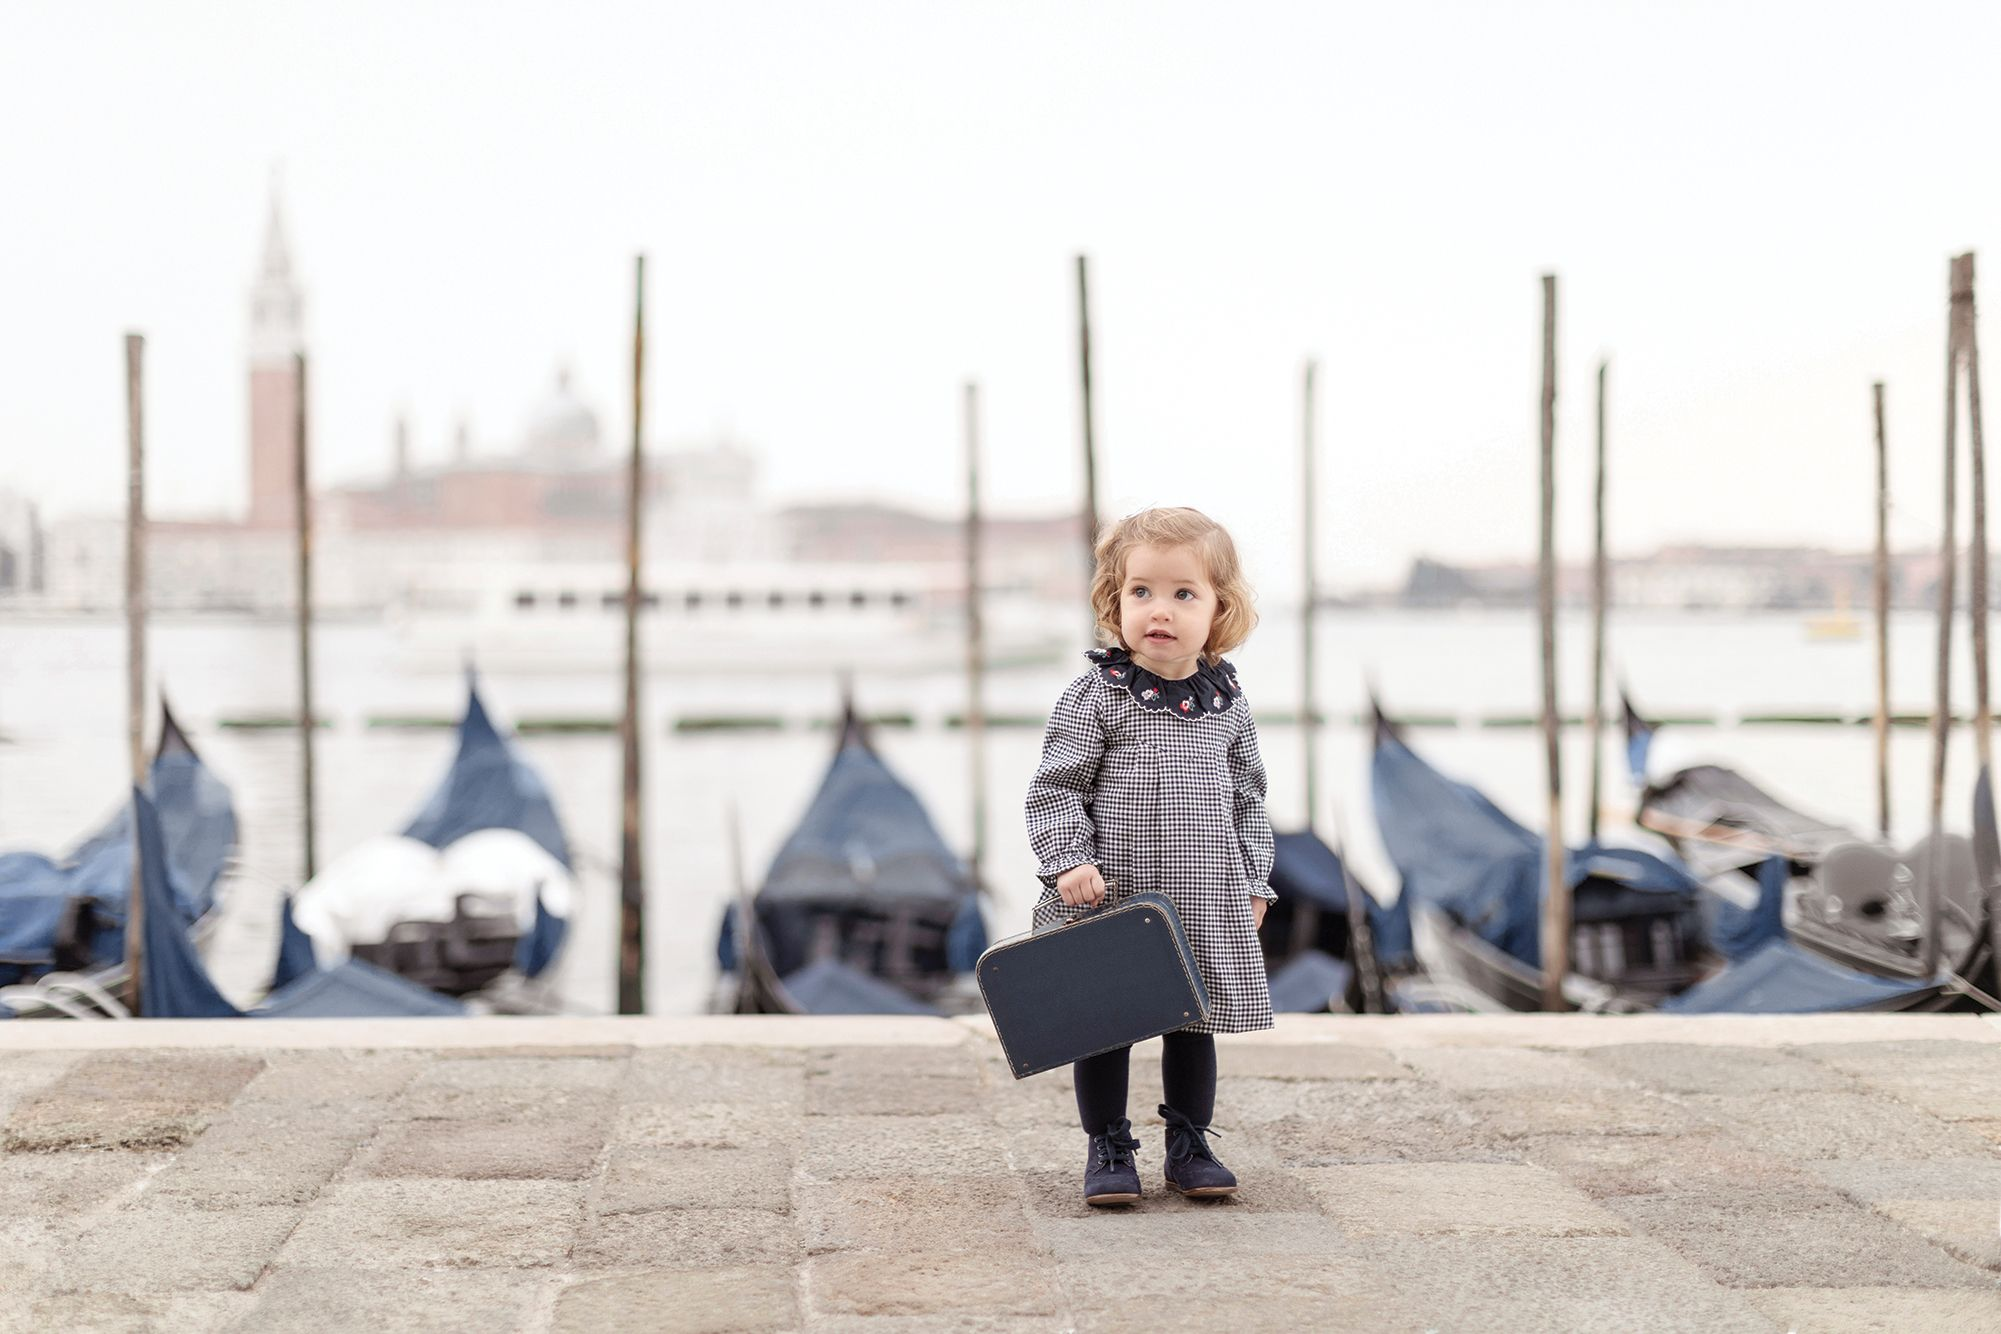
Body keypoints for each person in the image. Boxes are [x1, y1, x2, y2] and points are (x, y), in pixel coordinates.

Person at [1025, 506, 1276, 1206]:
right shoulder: (1097, 696)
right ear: (1116, 601)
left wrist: (1255, 880)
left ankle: (1189, 1143)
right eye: (1141, 591)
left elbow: (1248, 799)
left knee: (1192, 1024)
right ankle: (1107, 1144)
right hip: (1113, 892)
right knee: (1106, 1024)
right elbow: (1056, 787)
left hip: (1202, 896)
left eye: (1183, 593)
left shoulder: (1226, 704)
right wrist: (1068, 860)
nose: (1159, 609)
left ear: (1219, 609)